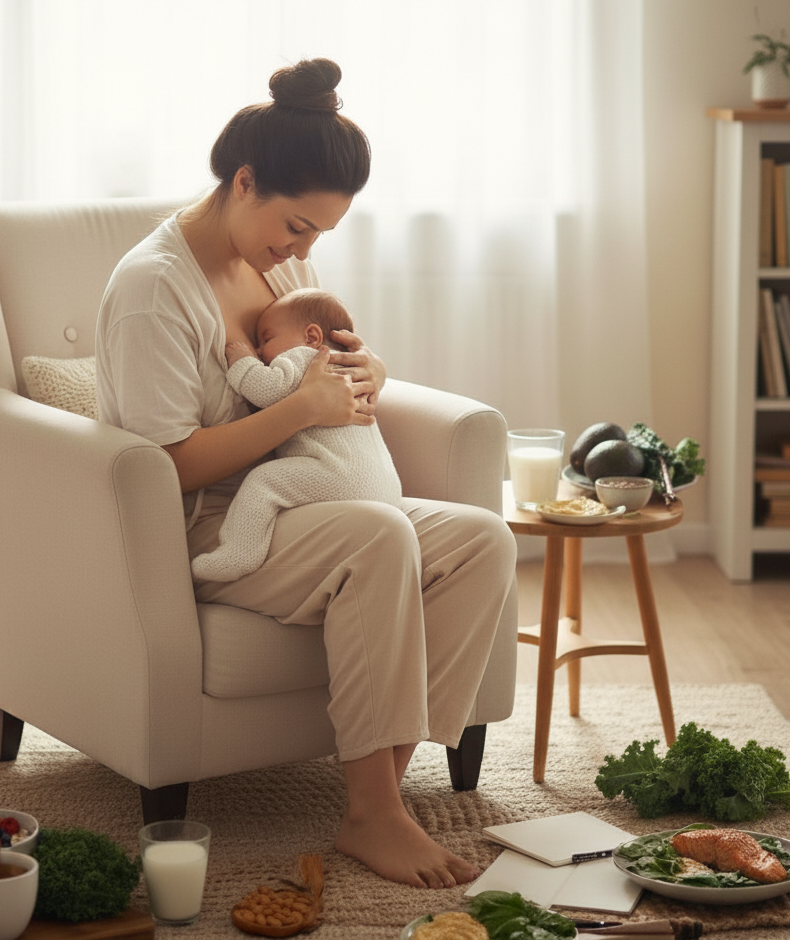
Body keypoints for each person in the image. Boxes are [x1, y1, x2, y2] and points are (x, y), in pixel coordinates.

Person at [96, 57, 516, 889]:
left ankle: (382, 791)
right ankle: (372, 814)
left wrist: (366, 378)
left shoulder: (274, 263)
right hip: (215, 521)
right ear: (244, 181)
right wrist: (302, 411)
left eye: (320, 234)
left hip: (306, 493)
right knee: (379, 537)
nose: (303, 251)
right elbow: (162, 468)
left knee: (483, 540)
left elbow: (310, 363)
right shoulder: (155, 290)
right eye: (297, 227)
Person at [191, 287, 403, 582]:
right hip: (385, 487)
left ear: (312, 337)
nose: (262, 350)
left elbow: (268, 389)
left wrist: (242, 361)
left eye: (267, 338)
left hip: (337, 474)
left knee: (263, 482)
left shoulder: (304, 356)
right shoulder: (350, 368)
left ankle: (238, 552)